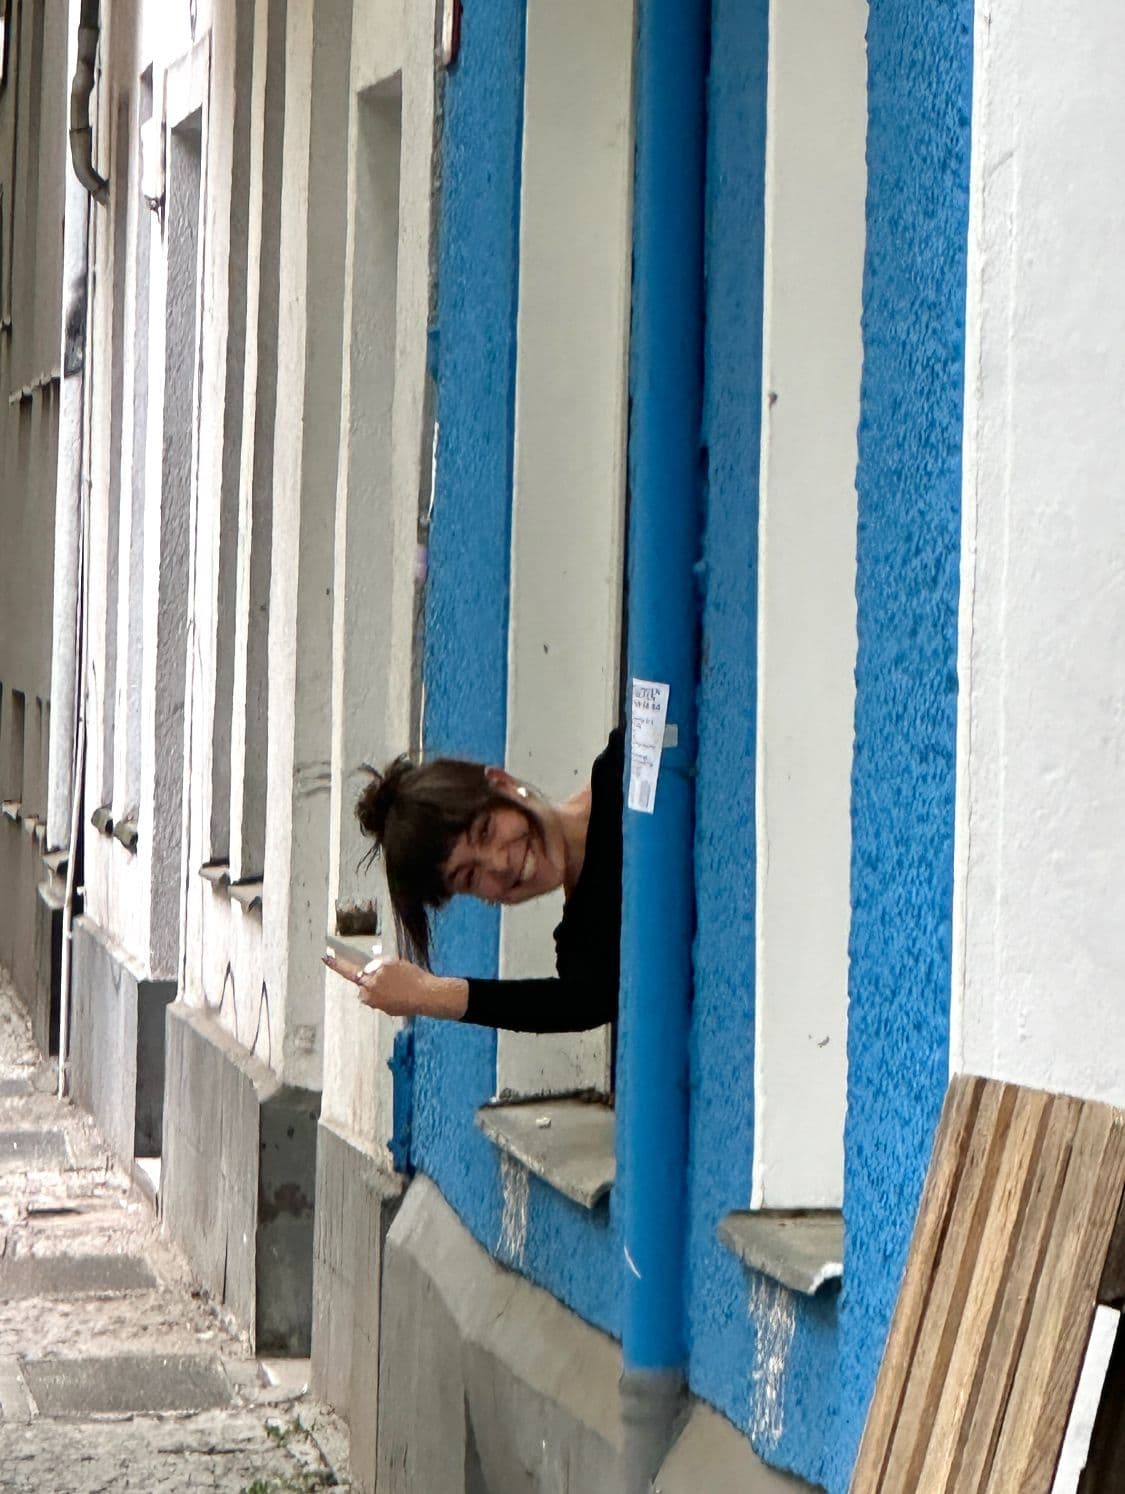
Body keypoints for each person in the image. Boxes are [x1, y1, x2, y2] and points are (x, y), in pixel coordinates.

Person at [322, 730, 623, 1032]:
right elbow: (583, 1001)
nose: (500, 863)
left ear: (504, 784)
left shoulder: (626, 767)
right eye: (469, 875)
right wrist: (425, 994)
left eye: (486, 831)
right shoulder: (588, 945)